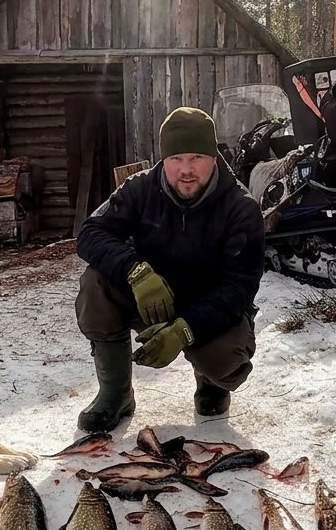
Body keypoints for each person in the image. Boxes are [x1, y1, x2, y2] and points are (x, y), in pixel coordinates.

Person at [74, 106, 266, 431]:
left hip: (208, 309)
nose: (186, 170)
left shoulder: (241, 207)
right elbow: (90, 234)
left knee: (226, 362)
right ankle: (115, 394)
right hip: (151, 300)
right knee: (96, 282)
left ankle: (210, 385)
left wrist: (184, 329)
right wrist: (135, 271)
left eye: (196, 158)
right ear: (164, 160)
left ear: (214, 158)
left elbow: (239, 287)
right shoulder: (140, 189)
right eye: (176, 159)